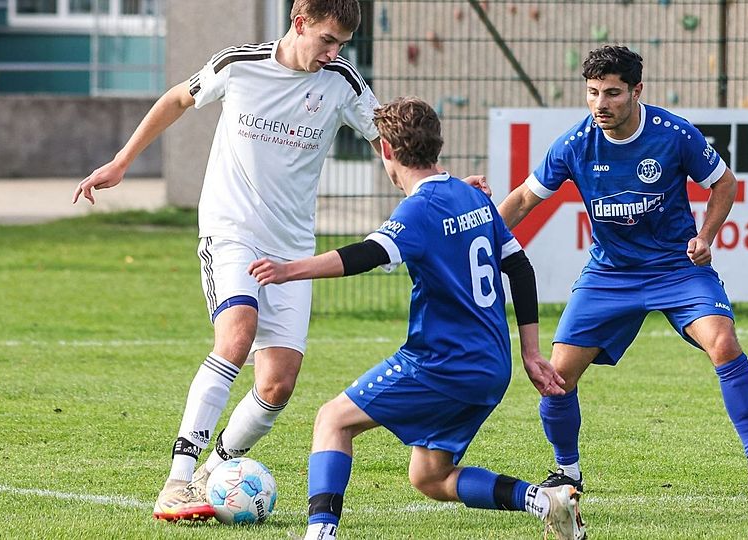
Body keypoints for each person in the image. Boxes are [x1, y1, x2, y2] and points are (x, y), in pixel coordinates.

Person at [74, 0, 488, 522]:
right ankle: (177, 480)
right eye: (327, 40)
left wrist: (443, 185)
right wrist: (121, 162)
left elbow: (397, 139)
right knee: (237, 333)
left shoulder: (341, 82)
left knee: (277, 384)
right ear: (300, 24)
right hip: (231, 231)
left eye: (342, 44)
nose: (334, 53)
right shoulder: (238, 65)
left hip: (291, 247)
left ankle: (215, 471)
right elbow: (177, 99)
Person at [248, 96, 585, 540]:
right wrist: (530, 350)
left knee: (333, 420)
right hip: (490, 367)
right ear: (437, 144)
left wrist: (290, 268)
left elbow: (368, 254)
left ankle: (320, 534)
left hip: (440, 362)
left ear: (386, 151)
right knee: (429, 476)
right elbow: (519, 267)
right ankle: (545, 500)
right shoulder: (471, 196)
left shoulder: (419, 209)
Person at [496, 45, 748, 498]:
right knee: (556, 376)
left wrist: (706, 236)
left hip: (677, 268)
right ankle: (568, 472)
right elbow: (522, 200)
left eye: (612, 93)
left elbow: (724, 183)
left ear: (637, 91)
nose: (600, 104)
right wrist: (480, 240)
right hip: (610, 274)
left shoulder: (673, 134)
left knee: (724, 342)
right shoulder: (575, 145)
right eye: (593, 93)